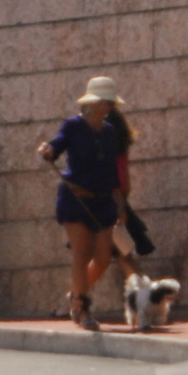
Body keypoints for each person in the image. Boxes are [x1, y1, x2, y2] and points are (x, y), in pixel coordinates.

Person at [38, 76, 132, 331]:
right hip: (75, 198)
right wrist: (48, 149)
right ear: (94, 103)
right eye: (106, 103)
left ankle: (74, 295)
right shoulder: (73, 126)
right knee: (81, 252)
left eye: (110, 103)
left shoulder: (111, 132)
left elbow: (113, 173)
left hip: (103, 202)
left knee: (102, 258)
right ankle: (82, 307)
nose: (109, 108)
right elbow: (56, 145)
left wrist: (120, 204)